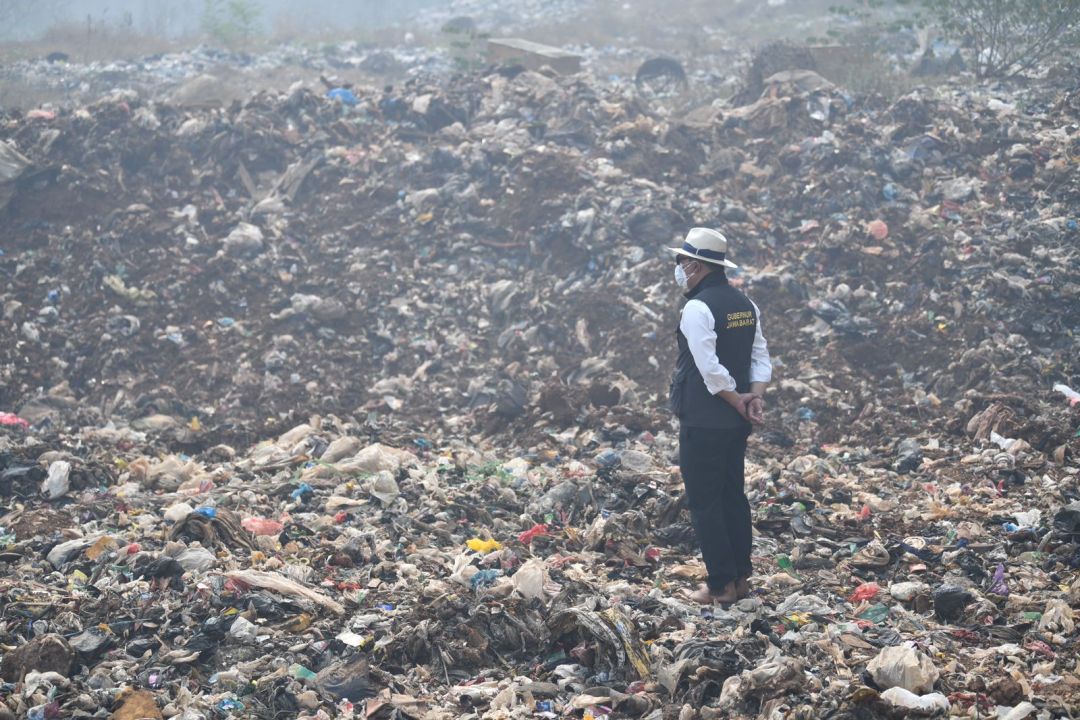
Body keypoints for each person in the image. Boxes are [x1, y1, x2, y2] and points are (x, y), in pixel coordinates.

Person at [667, 227, 772, 604]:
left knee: (704, 501)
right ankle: (742, 579)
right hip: (736, 422)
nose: (678, 267)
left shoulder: (698, 308)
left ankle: (720, 585)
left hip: (703, 418)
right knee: (733, 495)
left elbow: (709, 369)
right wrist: (753, 399)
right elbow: (760, 357)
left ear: (695, 265)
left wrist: (737, 399)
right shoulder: (746, 305)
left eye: (680, 261)